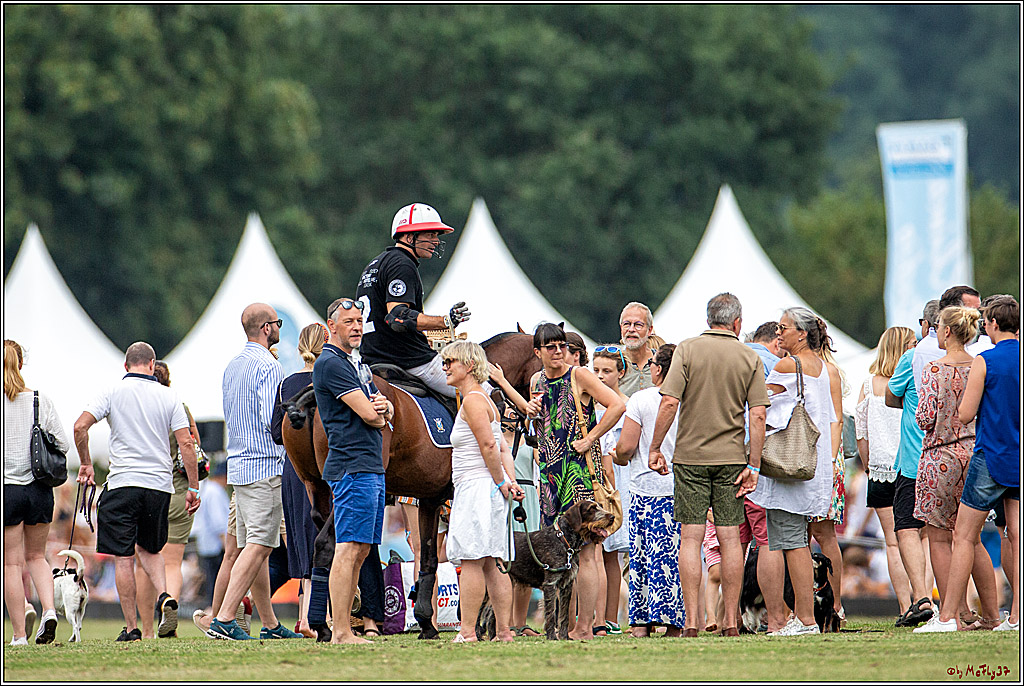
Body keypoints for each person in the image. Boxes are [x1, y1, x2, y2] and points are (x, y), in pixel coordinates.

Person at [649, 293, 769, 638]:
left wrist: (656, 447)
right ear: (737, 323)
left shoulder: (686, 350)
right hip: (731, 458)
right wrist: (755, 464)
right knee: (732, 540)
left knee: (691, 537)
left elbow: (670, 402)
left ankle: (691, 621)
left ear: (708, 319)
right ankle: (730, 621)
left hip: (689, 458)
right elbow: (758, 414)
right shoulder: (749, 356)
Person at [74, 342, 200, 642]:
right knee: (151, 550)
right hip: (158, 486)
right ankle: (166, 595)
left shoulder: (112, 391)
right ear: (152, 364)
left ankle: (132, 627)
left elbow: (80, 427)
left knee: (124, 557)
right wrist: (193, 487)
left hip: (122, 484)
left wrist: (87, 464)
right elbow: (186, 444)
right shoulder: (170, 395)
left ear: (126, 365)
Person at [921, 295, 1019, 632]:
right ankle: (1014, 616)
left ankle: (948, 615)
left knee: (963, 536)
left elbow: (965, 413)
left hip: (990, 454)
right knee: (1016, 536)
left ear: (992, 324)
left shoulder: (986, 360)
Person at [206, 303, 301, 640]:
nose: (279, 329)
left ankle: (271, 624)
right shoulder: (270, 367)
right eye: (276, 324)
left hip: (239, 465)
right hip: (265, 463)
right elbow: (271, 419)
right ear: (266, 329)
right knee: (260, 544)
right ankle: (225, 617)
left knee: (255, 546)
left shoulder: (233, 366)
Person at [526, 323, 625, 641]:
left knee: (586, 553)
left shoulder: (579, 376)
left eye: (561, 345)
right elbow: (540, 430)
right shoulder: (536, 381)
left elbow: (617, 405)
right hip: (550, 478)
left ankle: (586, 626)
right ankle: (562, 626)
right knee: (555, 552)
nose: (557, 351)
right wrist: (530, 413)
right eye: (550, 346)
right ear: (538, 352)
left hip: (579, 475)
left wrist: (591, 438)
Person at [747, 306, 840, 636]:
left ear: (802, 333)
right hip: (811, 466)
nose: (779, 333)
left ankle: (804, 618)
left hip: (789, 469)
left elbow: (763, 407)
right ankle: (805, 616)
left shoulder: (789, 365)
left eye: (784, 328)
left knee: (791, 543)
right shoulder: (822, 366)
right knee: (798, 540)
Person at [312, 297, 394, 645]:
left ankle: (346, 626)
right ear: (332, 327)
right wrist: (380, 413)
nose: (357, 327)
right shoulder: (331, 363)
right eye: (349, 322)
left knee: (361, 549)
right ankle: (341, 631)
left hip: (369, 466)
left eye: (360, 320)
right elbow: (371, 414)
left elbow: (384, 407)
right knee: (348, 548)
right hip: (352, 467)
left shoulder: (356, 363)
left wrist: (384, 408)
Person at [442, 340, 524, 643]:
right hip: (490, 486)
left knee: (473, 559)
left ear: (469, 365)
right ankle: (504, 632)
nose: (445, 367)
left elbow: (491, 446)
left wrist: (503, 482)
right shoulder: (487, 400)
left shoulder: (474, 401)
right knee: (493, 561)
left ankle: (467, 631)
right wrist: (509, 481)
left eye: (450, 361)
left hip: (478, 486)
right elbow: (502, 446)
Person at [355, 203, 470, 398]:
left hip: (371, 358)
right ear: (409, 237)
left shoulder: (375, 263)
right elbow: (398, 317)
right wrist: (446, 322)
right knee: (480, 390)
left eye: (436, 235)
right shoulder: (402, 264)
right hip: (407, 359)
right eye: (430, 235)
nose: (435, 241)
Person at [4, 339, 69, 645]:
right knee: (37, 557)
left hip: (8, 491)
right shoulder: (38, 400)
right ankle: (49, 611)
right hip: (39, 489)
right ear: (21, 363)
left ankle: (18, 635)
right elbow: (63, 444)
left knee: (11, 564)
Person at [615, 343, 683, 637]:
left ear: (656, 369)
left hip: (645, 486)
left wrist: (616, 455)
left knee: (642, 556)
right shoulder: (690, 399)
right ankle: (674, 622)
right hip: (679, 486)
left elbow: (627, 447)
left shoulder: (641, 399)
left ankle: (642, 622)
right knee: (672, 558)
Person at [885, 299, 942, 627]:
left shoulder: (913, 356)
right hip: (951, 454)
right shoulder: (968, 356)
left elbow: (892, 395)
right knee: (941, 532)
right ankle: (945, 603)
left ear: (927, 324)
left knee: (906, 527)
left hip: (914, 457)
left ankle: (921, 596)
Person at [135, 360, 202, 639]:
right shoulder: (178, 405)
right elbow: (193, 443)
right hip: (176, 489)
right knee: (172, 562)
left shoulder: (137, 407)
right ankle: (169, 610)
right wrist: (194, 486)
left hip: (144, 488)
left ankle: (147, 629)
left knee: (144, 562)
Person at [271, 322, 329, 638]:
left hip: (293, 470)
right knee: (325, 537)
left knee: (302, 540)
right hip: (323, 469)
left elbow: (275, 433)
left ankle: (305, 614)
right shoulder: (331, 380)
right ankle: (319, 615)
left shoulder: (286, 384)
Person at [854, 326, 917, 618]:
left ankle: (905, 606)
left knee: (892, 542)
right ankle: (923, 599)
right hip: (910, 466)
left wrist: (867, 466)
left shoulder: (868, 385)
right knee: (920, 539)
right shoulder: (914, 381)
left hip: (879, 470)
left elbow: (861, 433)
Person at [741, 321, 786, 633]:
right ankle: (776, 618)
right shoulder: (777, 366)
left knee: (733, 541)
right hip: (762, 461)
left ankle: (732, 618)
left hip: (725, 459)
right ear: (775, 343)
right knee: (768, 539)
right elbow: (763, 415)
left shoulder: (732, 358)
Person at [807, 324, 849, 622]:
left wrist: (831, 459)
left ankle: (833, 604)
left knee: (822, 532)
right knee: (814, 532)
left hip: (822, 456)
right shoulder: (799, 367)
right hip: (814, 455)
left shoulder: (826, 370)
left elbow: (836, 419)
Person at [591, 345, 630, 636]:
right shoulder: (586, 405)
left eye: (607, 371)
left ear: (621, 373)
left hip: (619, 482)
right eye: (596, 371)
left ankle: (610, 617)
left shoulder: (627, 405)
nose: (601, 377)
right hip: (592, 482)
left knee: (612, 553)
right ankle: (589, 616)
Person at [192, 460, 229, 610]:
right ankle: (214, 611)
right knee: (216, 582)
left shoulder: (207, 489)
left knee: (211, 582)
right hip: (216, 546)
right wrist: (227, 546)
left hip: (206, 544)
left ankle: (213, 609)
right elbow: (219, 522)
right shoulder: (215, 492)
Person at [618, 302, 658, 397]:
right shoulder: (613, 363)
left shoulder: (662, 362)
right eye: (627, 324)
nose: (631, 329)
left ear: (649, 330)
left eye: (638, 325)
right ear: (621, 328)